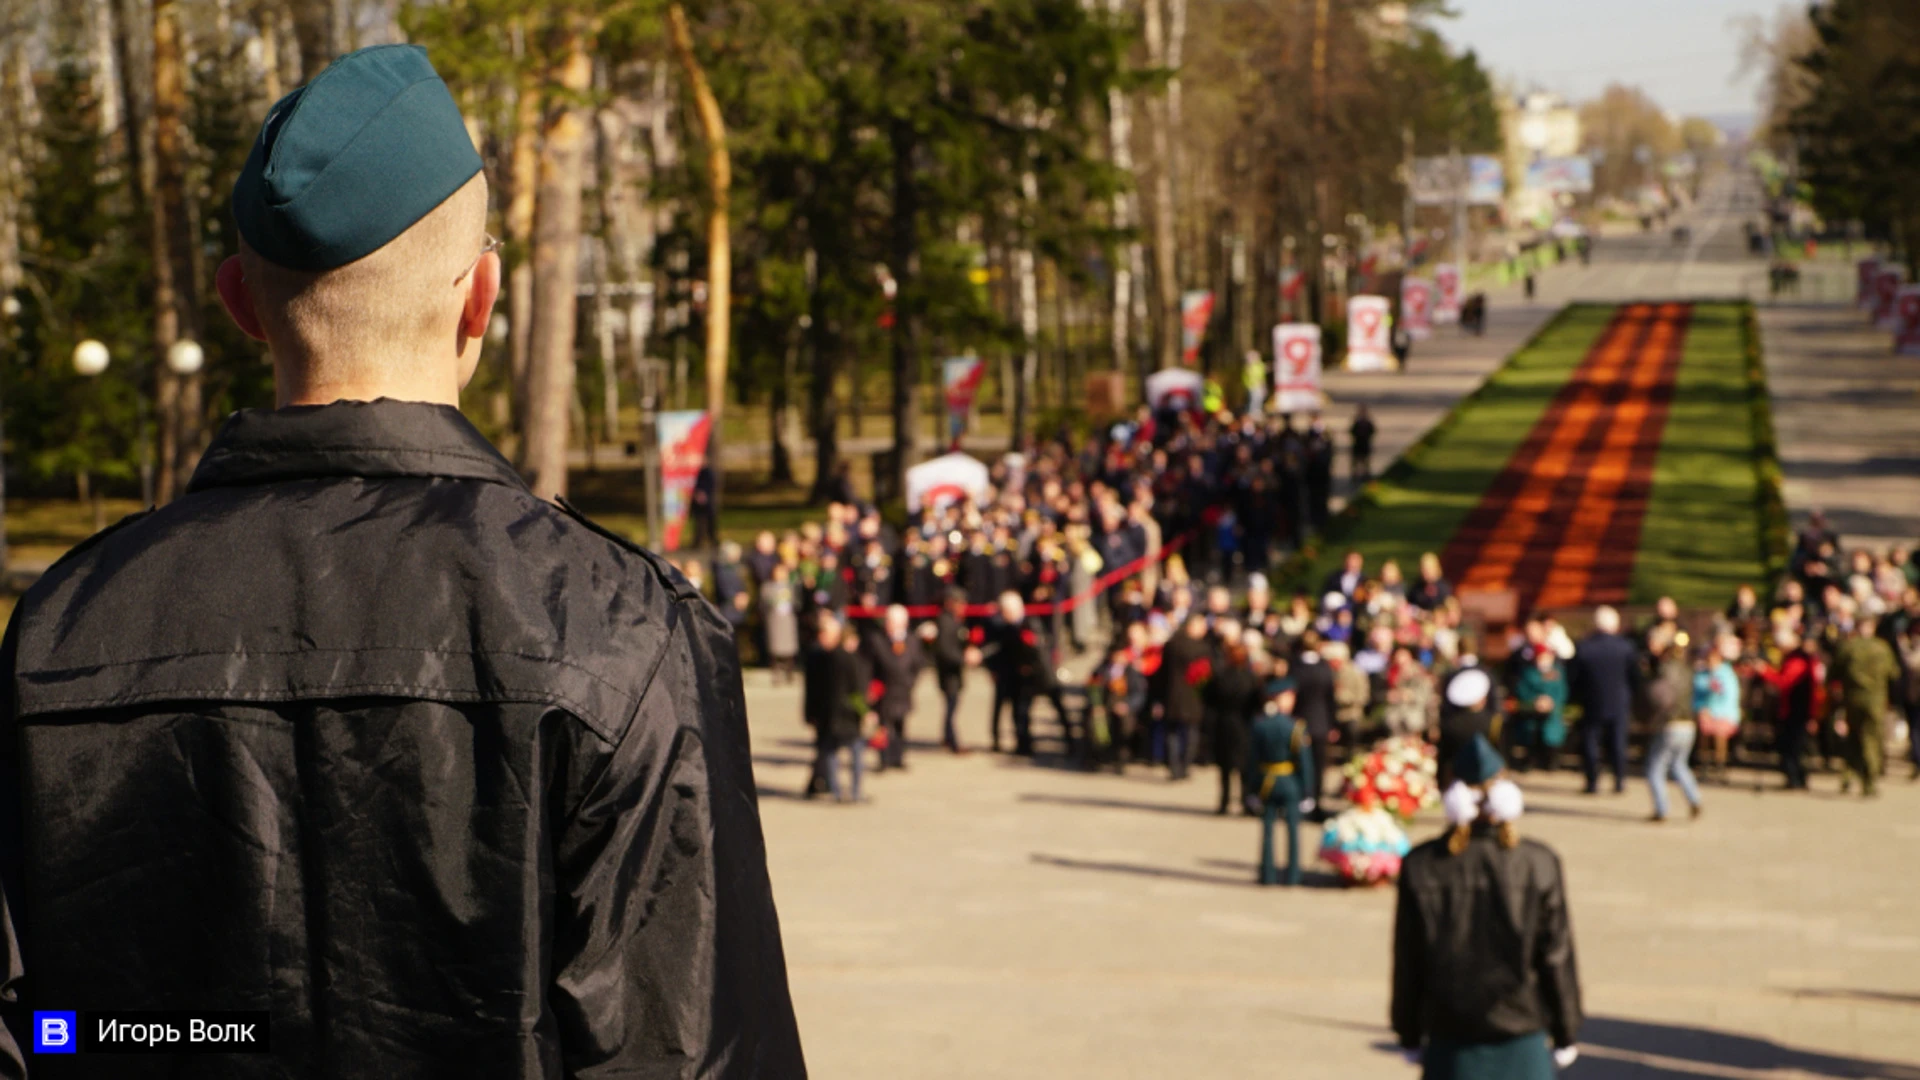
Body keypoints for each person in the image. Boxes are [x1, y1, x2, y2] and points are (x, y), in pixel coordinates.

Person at [0, 45, 804, 1075]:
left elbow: (33, 1033)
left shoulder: (62, 631)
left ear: (240, 303)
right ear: (482, 300)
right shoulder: (618, 631)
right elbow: (694, 1050)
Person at [1393, 736, 1583, 1080]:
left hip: (1451, 1042)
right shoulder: (1537, 863)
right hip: (1521, 1036)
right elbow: (1556, 956)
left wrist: (1407, 1032)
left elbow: (1409, 961)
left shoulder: (1422, 865)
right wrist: (1566, 1030)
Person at [1246, 680, 1314, 886]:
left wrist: (1251, 790)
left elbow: (1252, 761)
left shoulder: (1260, 724)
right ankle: (1293, 876)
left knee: (1267, 831)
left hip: (1267, 782)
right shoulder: (1295, 727)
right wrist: (1308, 791)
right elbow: (1304, 763)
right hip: (1289, 782)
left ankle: (1268, 875)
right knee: (1293, 831)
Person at [1570, 605, 1640, 795]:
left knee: (1591, 742)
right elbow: (1635, 677)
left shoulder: (1584, 647)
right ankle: (1619, 780)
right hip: (1619, 702)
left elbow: (1574, 678)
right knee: (1618, 742)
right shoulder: (1626, 647)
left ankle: (1592, 781)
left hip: (1592, 701)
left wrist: (1578, 698)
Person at [1830, 616, 1898, 797]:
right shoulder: (1882, 648)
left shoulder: (1848, 647)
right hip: (1875, 700)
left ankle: (1847, 776)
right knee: (1872, 740)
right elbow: (1894, 674)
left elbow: (1833, 673)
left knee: (1853, 738)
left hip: (1852, 699)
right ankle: (1869, 782)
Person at [1647, 633, 1704, 823]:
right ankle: (1694, 798)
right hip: (1688, 724)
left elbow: (1659, 697)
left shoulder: (1664, 670)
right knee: (1679, 764)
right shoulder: (1689, 670)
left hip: (1671, 724)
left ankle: (1661, 809)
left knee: (1655, 768)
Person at [865, 604, 925, 771]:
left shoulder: (912, 640)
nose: (890, 626)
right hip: (884, 690)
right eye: (889, 622)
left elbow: (918, 664)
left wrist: (910, 682)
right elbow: (870, 665)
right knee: (882, 726)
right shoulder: (877, 640)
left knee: (900, 725)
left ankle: (898, 757)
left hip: (903, 690)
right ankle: (883, 759)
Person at [1207, 642, 1262, 814]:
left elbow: (1209, 700)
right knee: (1244, 767)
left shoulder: (1220, 676)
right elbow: (1259, 702)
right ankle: (1246, 801)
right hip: (1244, 726)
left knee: (1225, 768)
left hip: (1224, 724)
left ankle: (1224, 802)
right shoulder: (1251, 678)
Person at [1158, 613, 1213, 780]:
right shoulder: (1201, 648)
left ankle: (1174, 767)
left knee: (1172, 732)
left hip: (1172, 694)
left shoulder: (1171, 645)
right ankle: (1185, 765)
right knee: (1190, 733)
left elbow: (1162, 673)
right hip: (1193, 697)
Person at [1292, 633, 1339, 814]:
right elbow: (1330, 699)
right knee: (1318, 765)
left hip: (1299, 721)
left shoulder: (1295, 667)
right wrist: (1333, 724)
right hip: (1321, 722)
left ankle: (1302, 798)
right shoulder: (1323, 667)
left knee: (1299, 763)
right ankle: (1316, 801)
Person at [925, 589, 971, 753]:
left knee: (952, 706)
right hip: (948, 673)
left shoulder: (955, 620)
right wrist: (963, 658)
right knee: (951, 706)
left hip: (954, 672)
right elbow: (944, 650)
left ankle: (948, 737)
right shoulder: (945, 621)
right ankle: (952, 741)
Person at [1511, 645, 1569, 772]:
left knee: (1552, 732)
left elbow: (1562, 692)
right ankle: (1531, 759)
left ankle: (1550, 761)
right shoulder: (1528, 672)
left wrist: (1551, 702)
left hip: (1552, 712)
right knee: (1530, 731)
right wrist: (1535, 702)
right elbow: (1522, 691)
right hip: (1532, 711)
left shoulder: (1557, 672)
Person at [1694, 634, 1743, 782]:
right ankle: (1704, 764)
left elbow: (1730, 695)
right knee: (1704, 739)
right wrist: (1701, 709)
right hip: (1706, 711)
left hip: (1722, 712)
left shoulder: (1726, 674)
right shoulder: (1702, 674)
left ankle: (1720, 765)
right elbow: (1698, 692)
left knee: (1720, 738)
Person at [1436, 668, 1496, 789]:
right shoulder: (1493, 721)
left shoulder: (1449, 723)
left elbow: (1444, 756)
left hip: (1456, 781)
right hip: (1487, 781)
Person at [762, 561, 802, 683]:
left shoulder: (791, 586)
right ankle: (776, 673)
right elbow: (762, 604)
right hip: (774, 619)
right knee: (775, 647)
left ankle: (789, 671)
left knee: (789, 646)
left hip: (788, 619)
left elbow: (798, 602)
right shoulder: (767, 587)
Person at [1350, 405, 1378, 489]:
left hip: (1365, 445)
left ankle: (1365, 476)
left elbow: (1373, 431)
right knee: (1356, 463)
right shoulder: (1356, 422)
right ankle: (1356, 477)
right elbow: (1351, 431)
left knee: (1365, 463)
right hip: (1357, 445)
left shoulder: (1368, 422)